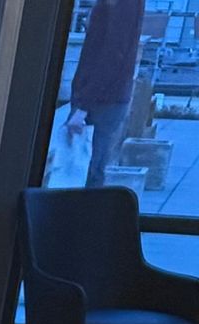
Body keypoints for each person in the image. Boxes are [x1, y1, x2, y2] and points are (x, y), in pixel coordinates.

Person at [69, 0, 146, 191]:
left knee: (83, 172)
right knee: (90, 170)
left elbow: (111, 57)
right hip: (105, 97)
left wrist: (82, 108)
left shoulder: (121, 5)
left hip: (101, 101)